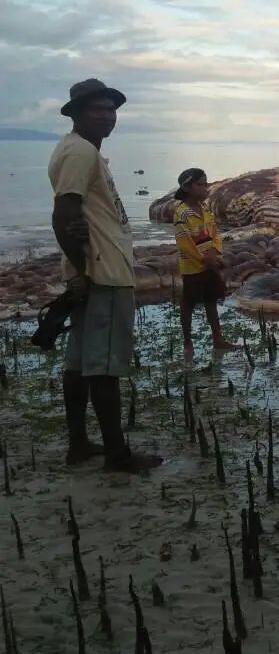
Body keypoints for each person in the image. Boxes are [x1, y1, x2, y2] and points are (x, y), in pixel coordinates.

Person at [48, 79, 163, 473]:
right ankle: (117, 455)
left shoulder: (77, 151)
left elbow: (75, 216)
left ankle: (79, 444)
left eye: (111, 109)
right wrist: (83, 273)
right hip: (104, 273)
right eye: (97, 108)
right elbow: (64, 215)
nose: (107, 116)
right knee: (107, 367)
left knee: (79, 363)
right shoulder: (80, 152)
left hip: (95, 269)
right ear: (77, 113)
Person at [173, 168, 240, 359]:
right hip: (193, 266)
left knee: (211, 300)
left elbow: (215, 233)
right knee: (189, 303)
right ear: (187, 187)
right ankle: (187, 341)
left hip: (210, 262)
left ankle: (218, 339)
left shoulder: (205, 211)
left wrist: (215, 251)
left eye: (206, 183)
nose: (205, 188)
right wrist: (203, 259)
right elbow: (184, 242)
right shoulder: (181, 213)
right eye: (200, 184)